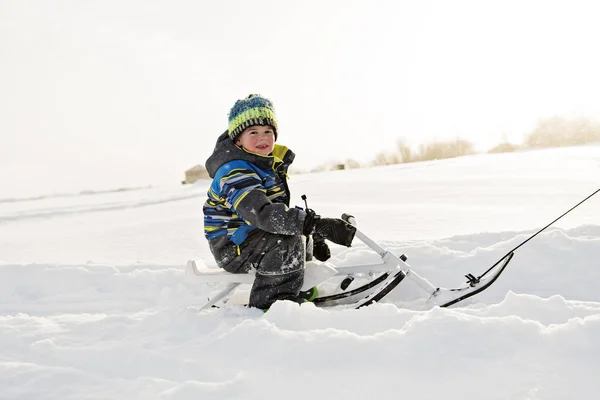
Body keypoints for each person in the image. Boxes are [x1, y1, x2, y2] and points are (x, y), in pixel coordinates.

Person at [203, 94, 357, 310]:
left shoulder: (263, 164)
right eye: (253, 132)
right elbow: (263, 214)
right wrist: (314, 225)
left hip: (249, 237)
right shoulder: (234, 170)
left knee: (294, 230)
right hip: (231, 247)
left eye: (268, 131)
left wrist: (312, 235)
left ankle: (296, 287)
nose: (262, 138)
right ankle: (274, 301)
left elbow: (279, 212)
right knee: (285, 240)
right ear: (238, 139)